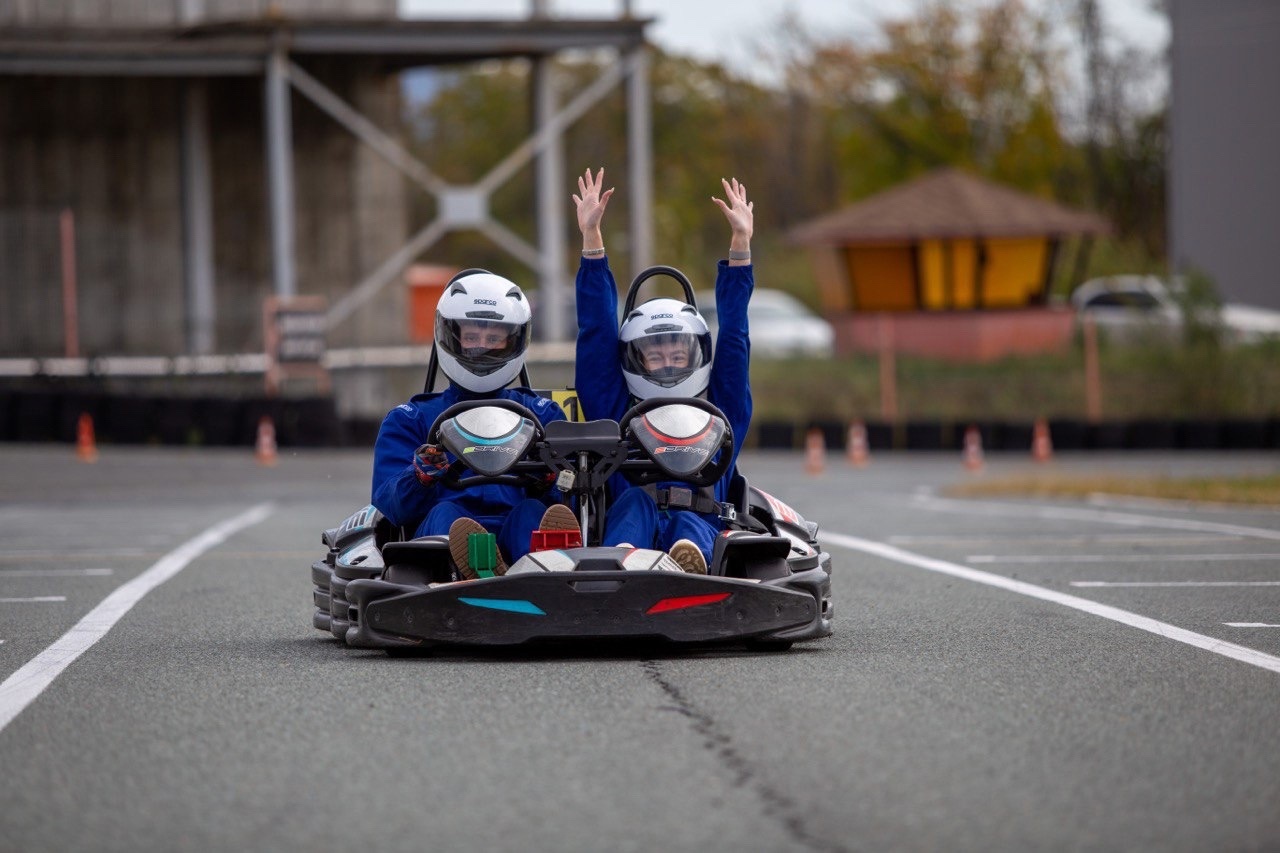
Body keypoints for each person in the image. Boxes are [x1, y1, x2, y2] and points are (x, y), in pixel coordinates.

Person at [571, 167, 754, 573]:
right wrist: (592, 241)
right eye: (655, 356)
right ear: (635, 360)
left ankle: (686, 563)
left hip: (702, 527)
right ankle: (626, 564)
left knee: (690, 522)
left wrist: (740, 246)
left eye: (678, 354)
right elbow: (596, 333)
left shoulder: (722, 416)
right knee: (635, 501)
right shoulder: (615, 413)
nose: (668, 364)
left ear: (697, 356)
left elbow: (736, 340)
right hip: (629, 533)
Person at [370, 270, 574, 579]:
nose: (482, 349)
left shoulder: (543, 415)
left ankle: (535, 575)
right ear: (451, 337)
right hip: (442, 541)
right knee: (447, 515)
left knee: (532, 512)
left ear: (514, 341)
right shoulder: (411, 419)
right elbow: (390, 507)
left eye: (494, 339)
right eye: (472, 338)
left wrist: (548, 479)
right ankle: (471, 574)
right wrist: (419, 477)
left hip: (516, 533)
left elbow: (577, 495)